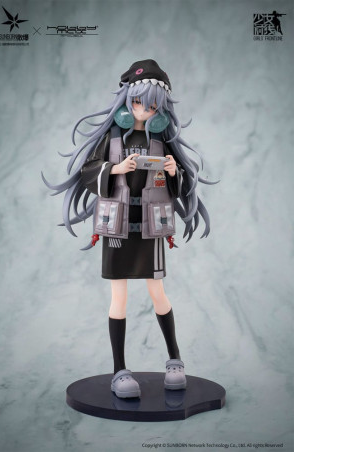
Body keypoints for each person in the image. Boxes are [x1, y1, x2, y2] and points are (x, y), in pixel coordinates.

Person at [43, 59, 217, 398]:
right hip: (116, 229)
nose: (143, 110)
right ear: (127, 100)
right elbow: (88, 171)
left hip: (152, 228)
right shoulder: (111, 138)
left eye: (151, 106)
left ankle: (175, 360)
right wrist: (115, 168)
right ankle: (119, 370)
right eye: (138, 102)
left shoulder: (162, 140)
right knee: (118, 297)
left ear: (160, 109)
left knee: (158, 292)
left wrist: (173, 172)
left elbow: (181, 185)